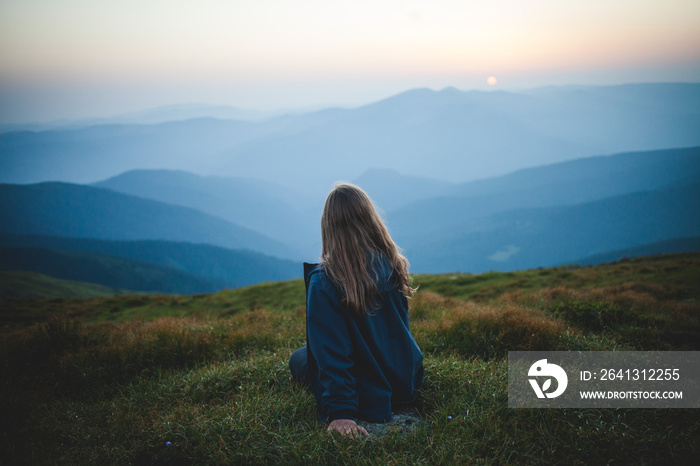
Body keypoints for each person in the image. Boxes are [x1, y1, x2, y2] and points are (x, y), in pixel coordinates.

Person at [289, 183, 424, 438]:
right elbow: (395, 332)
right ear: (370, 220)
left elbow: (333, 354)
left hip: (369, 391)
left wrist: (342, 413)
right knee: (306, 354)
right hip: (406, 380)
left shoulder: (325, 281)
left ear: (329, 226)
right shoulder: (392, 263)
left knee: (299, 359)